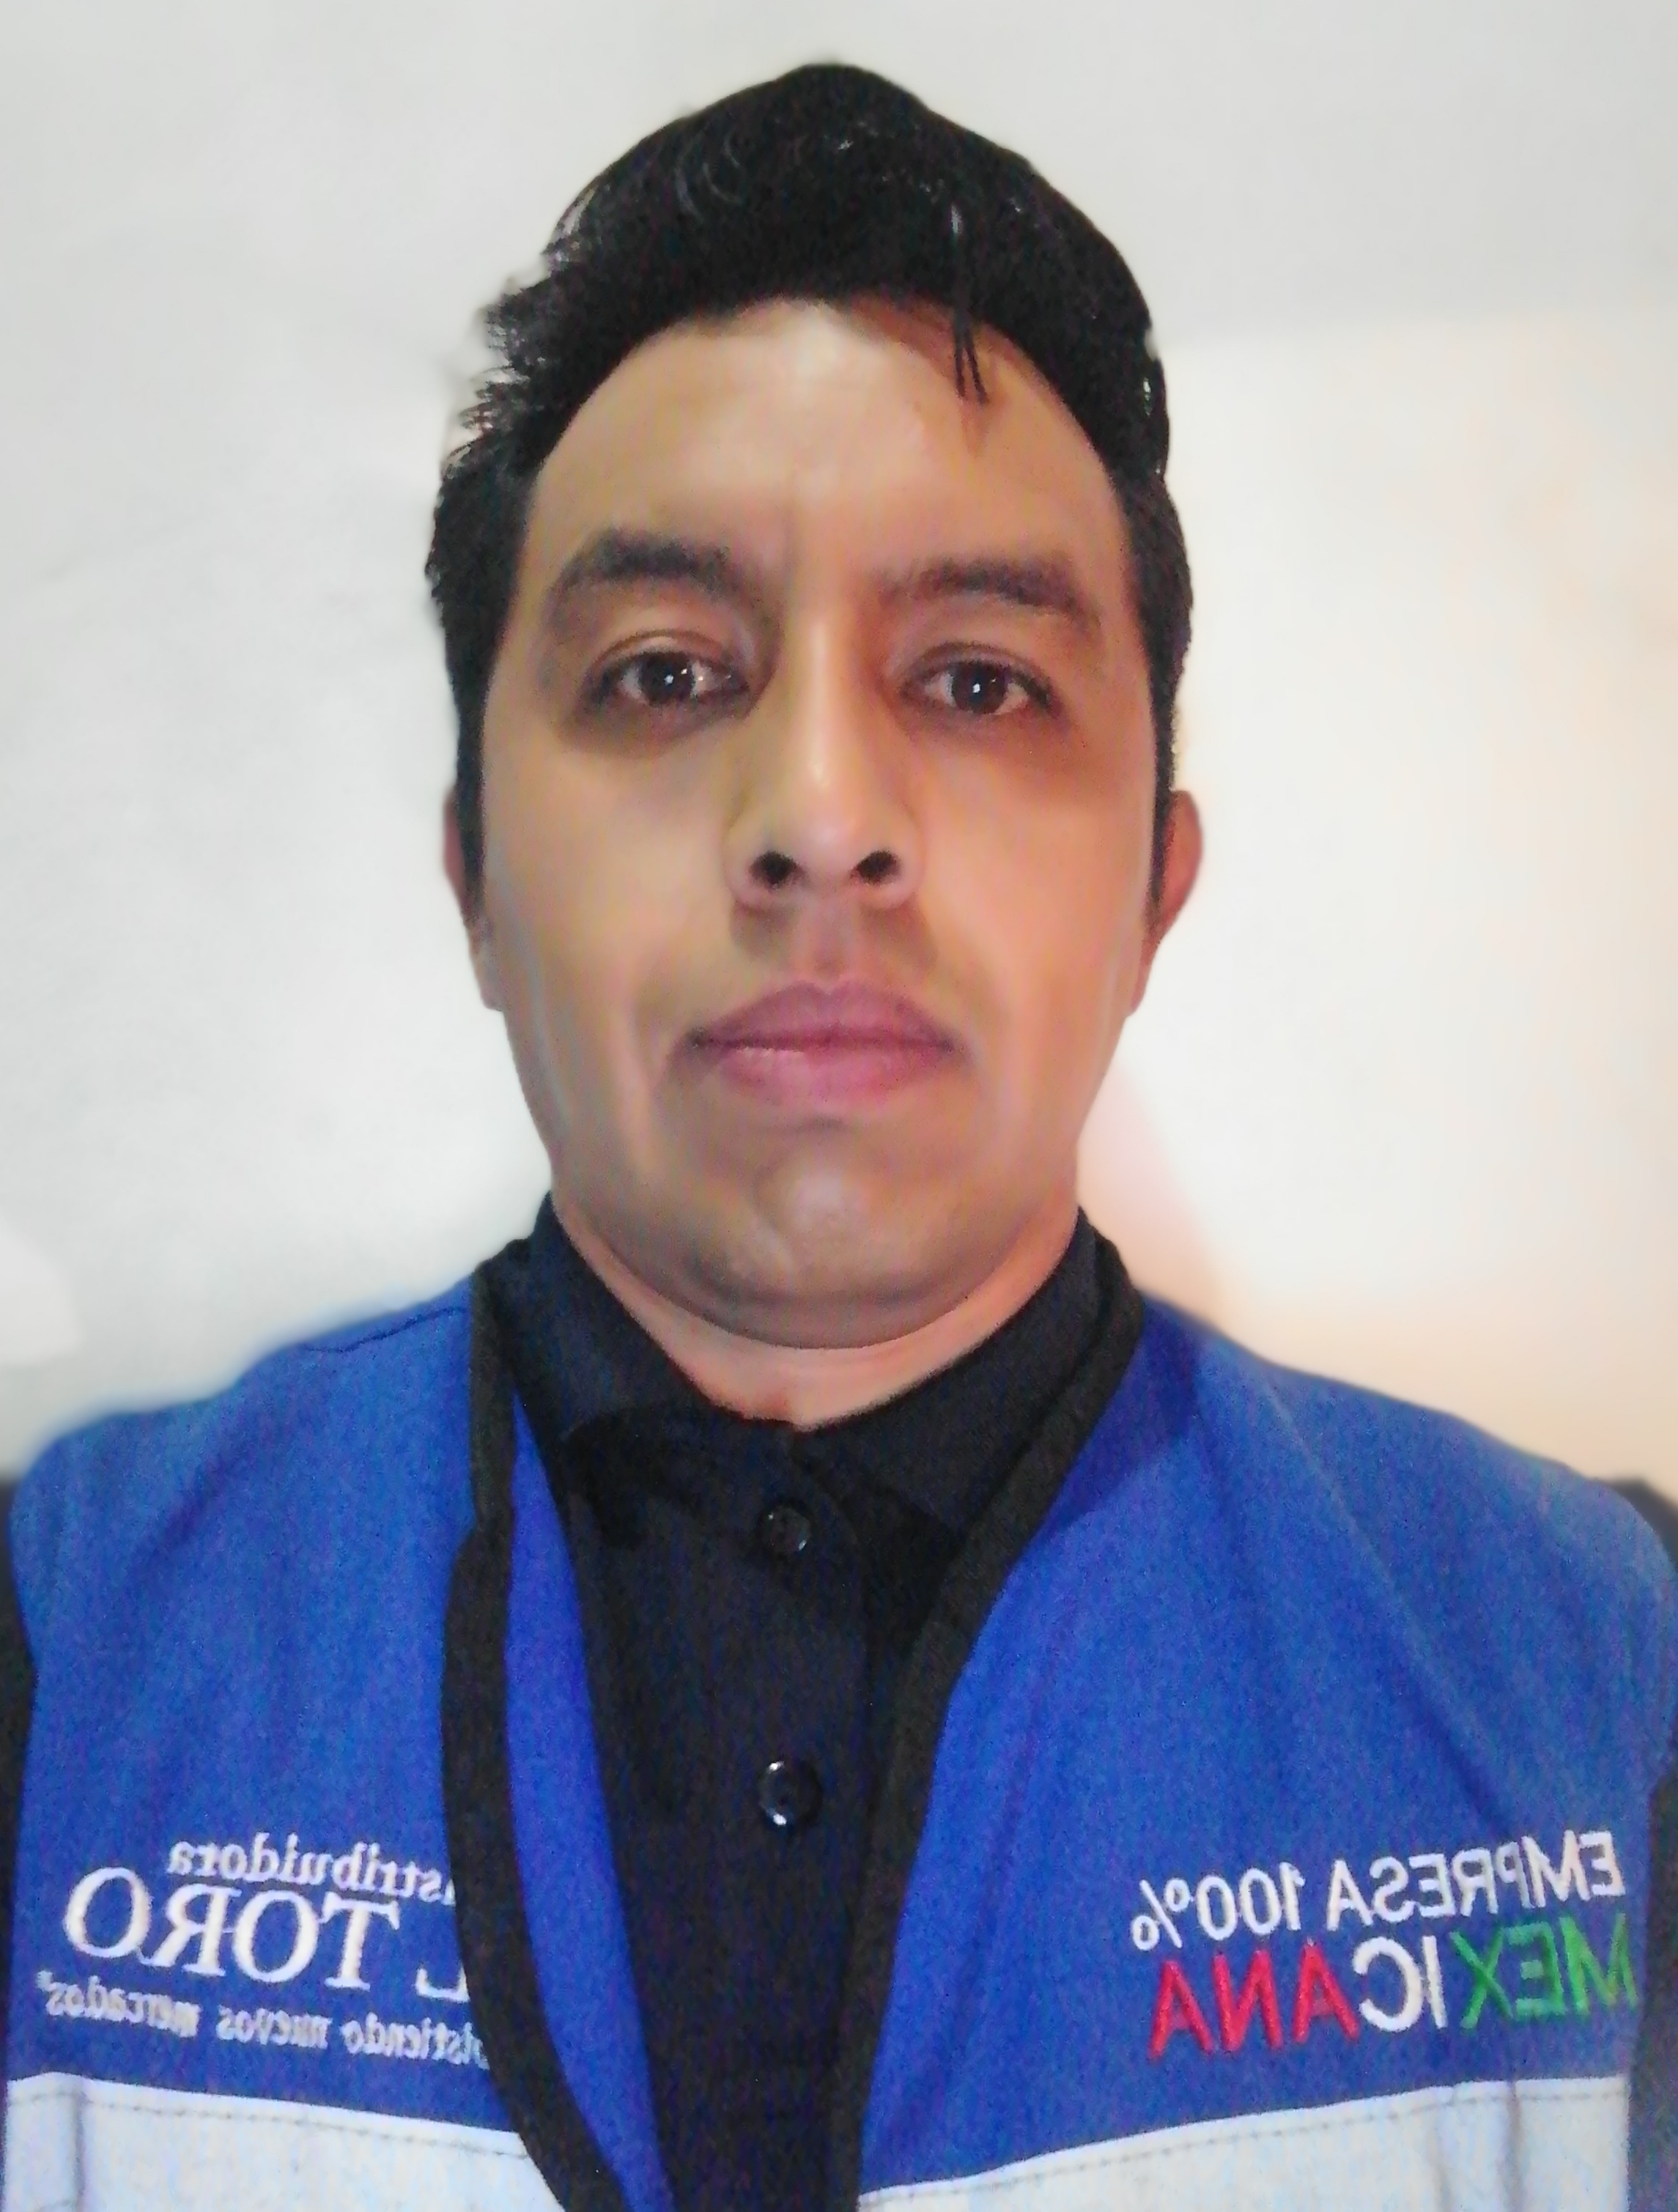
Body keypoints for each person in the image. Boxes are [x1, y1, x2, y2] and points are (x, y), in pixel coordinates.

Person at [0, 60, 1671, 2212]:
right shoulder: (66, 1659)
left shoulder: (1597, 1684)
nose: (815, 816)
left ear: (1153, 897)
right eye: (662, 672)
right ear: (476, 882)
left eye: (978, 681)